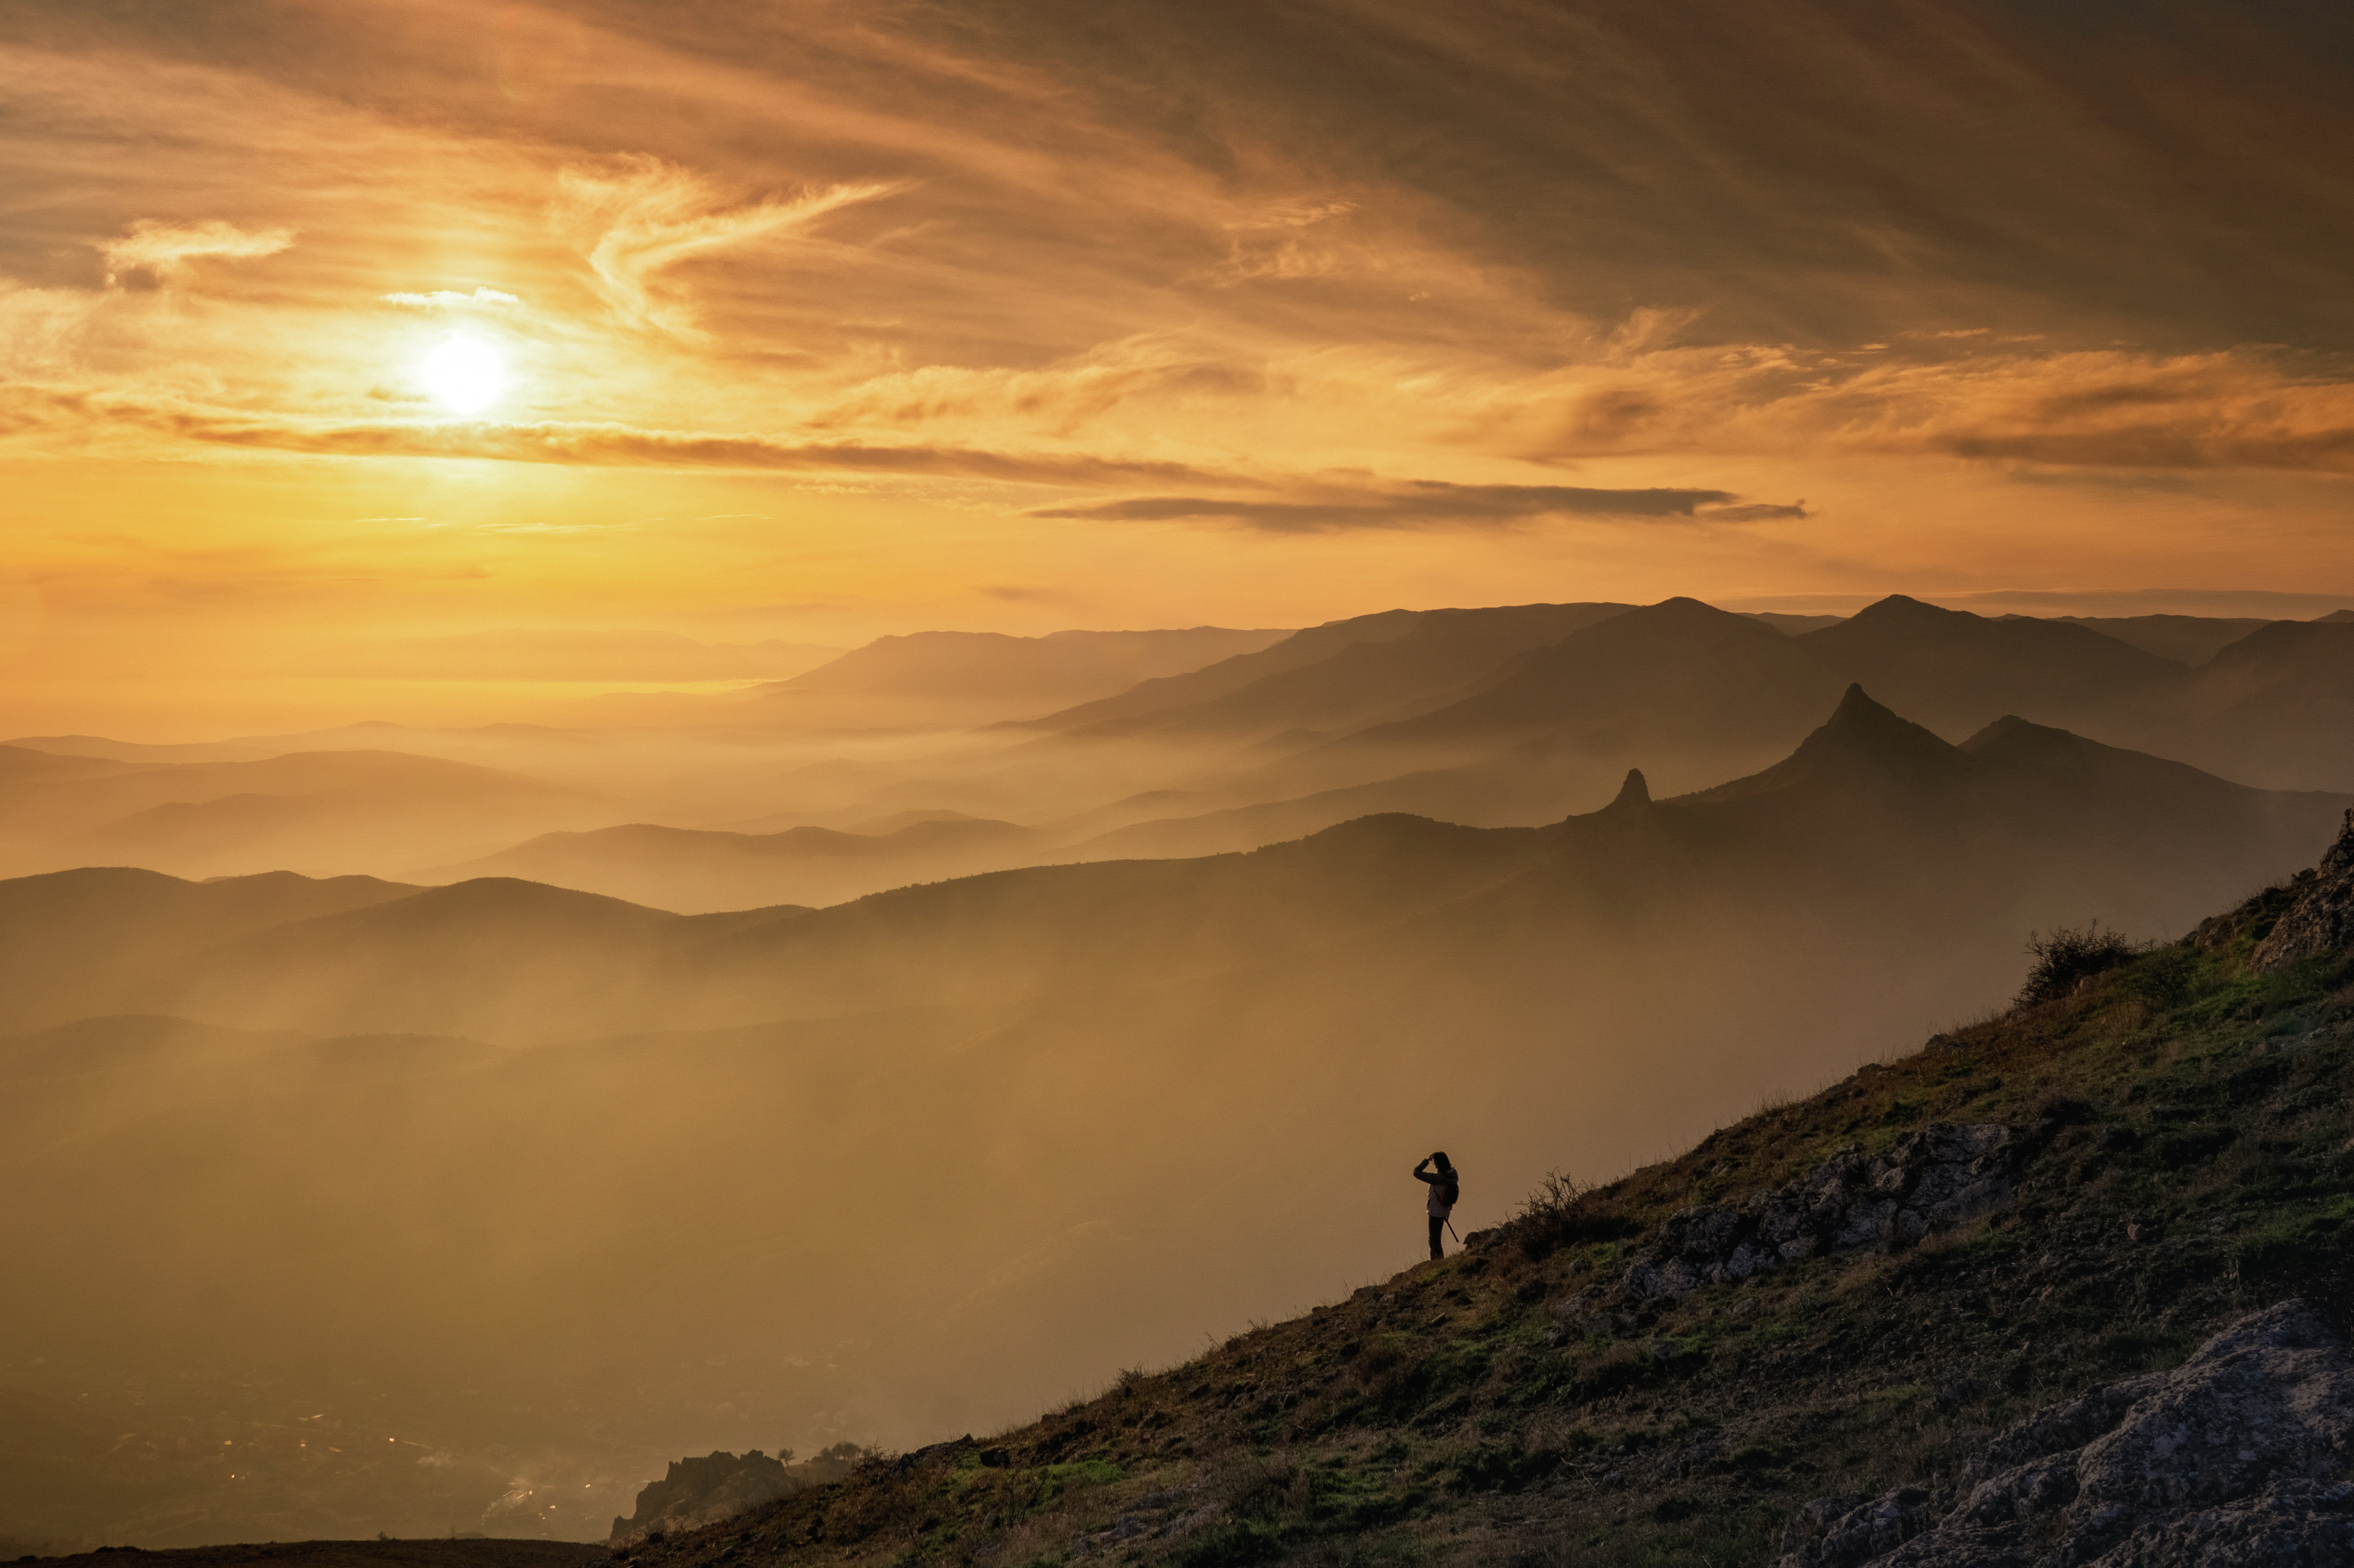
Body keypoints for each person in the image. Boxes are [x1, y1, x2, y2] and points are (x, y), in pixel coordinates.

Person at [1413, 1151, 1458, 1260]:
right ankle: (1438, 1262)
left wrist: (1426, 1161)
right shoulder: (1452, 1175)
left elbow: (1416, 1172)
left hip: (1436, 1211)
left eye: (1435, 1162)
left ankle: (1437, 1262)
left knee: (1434, 1241)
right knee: (1435, 1239)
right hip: (1445, 1209)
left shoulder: (1438, 1178)